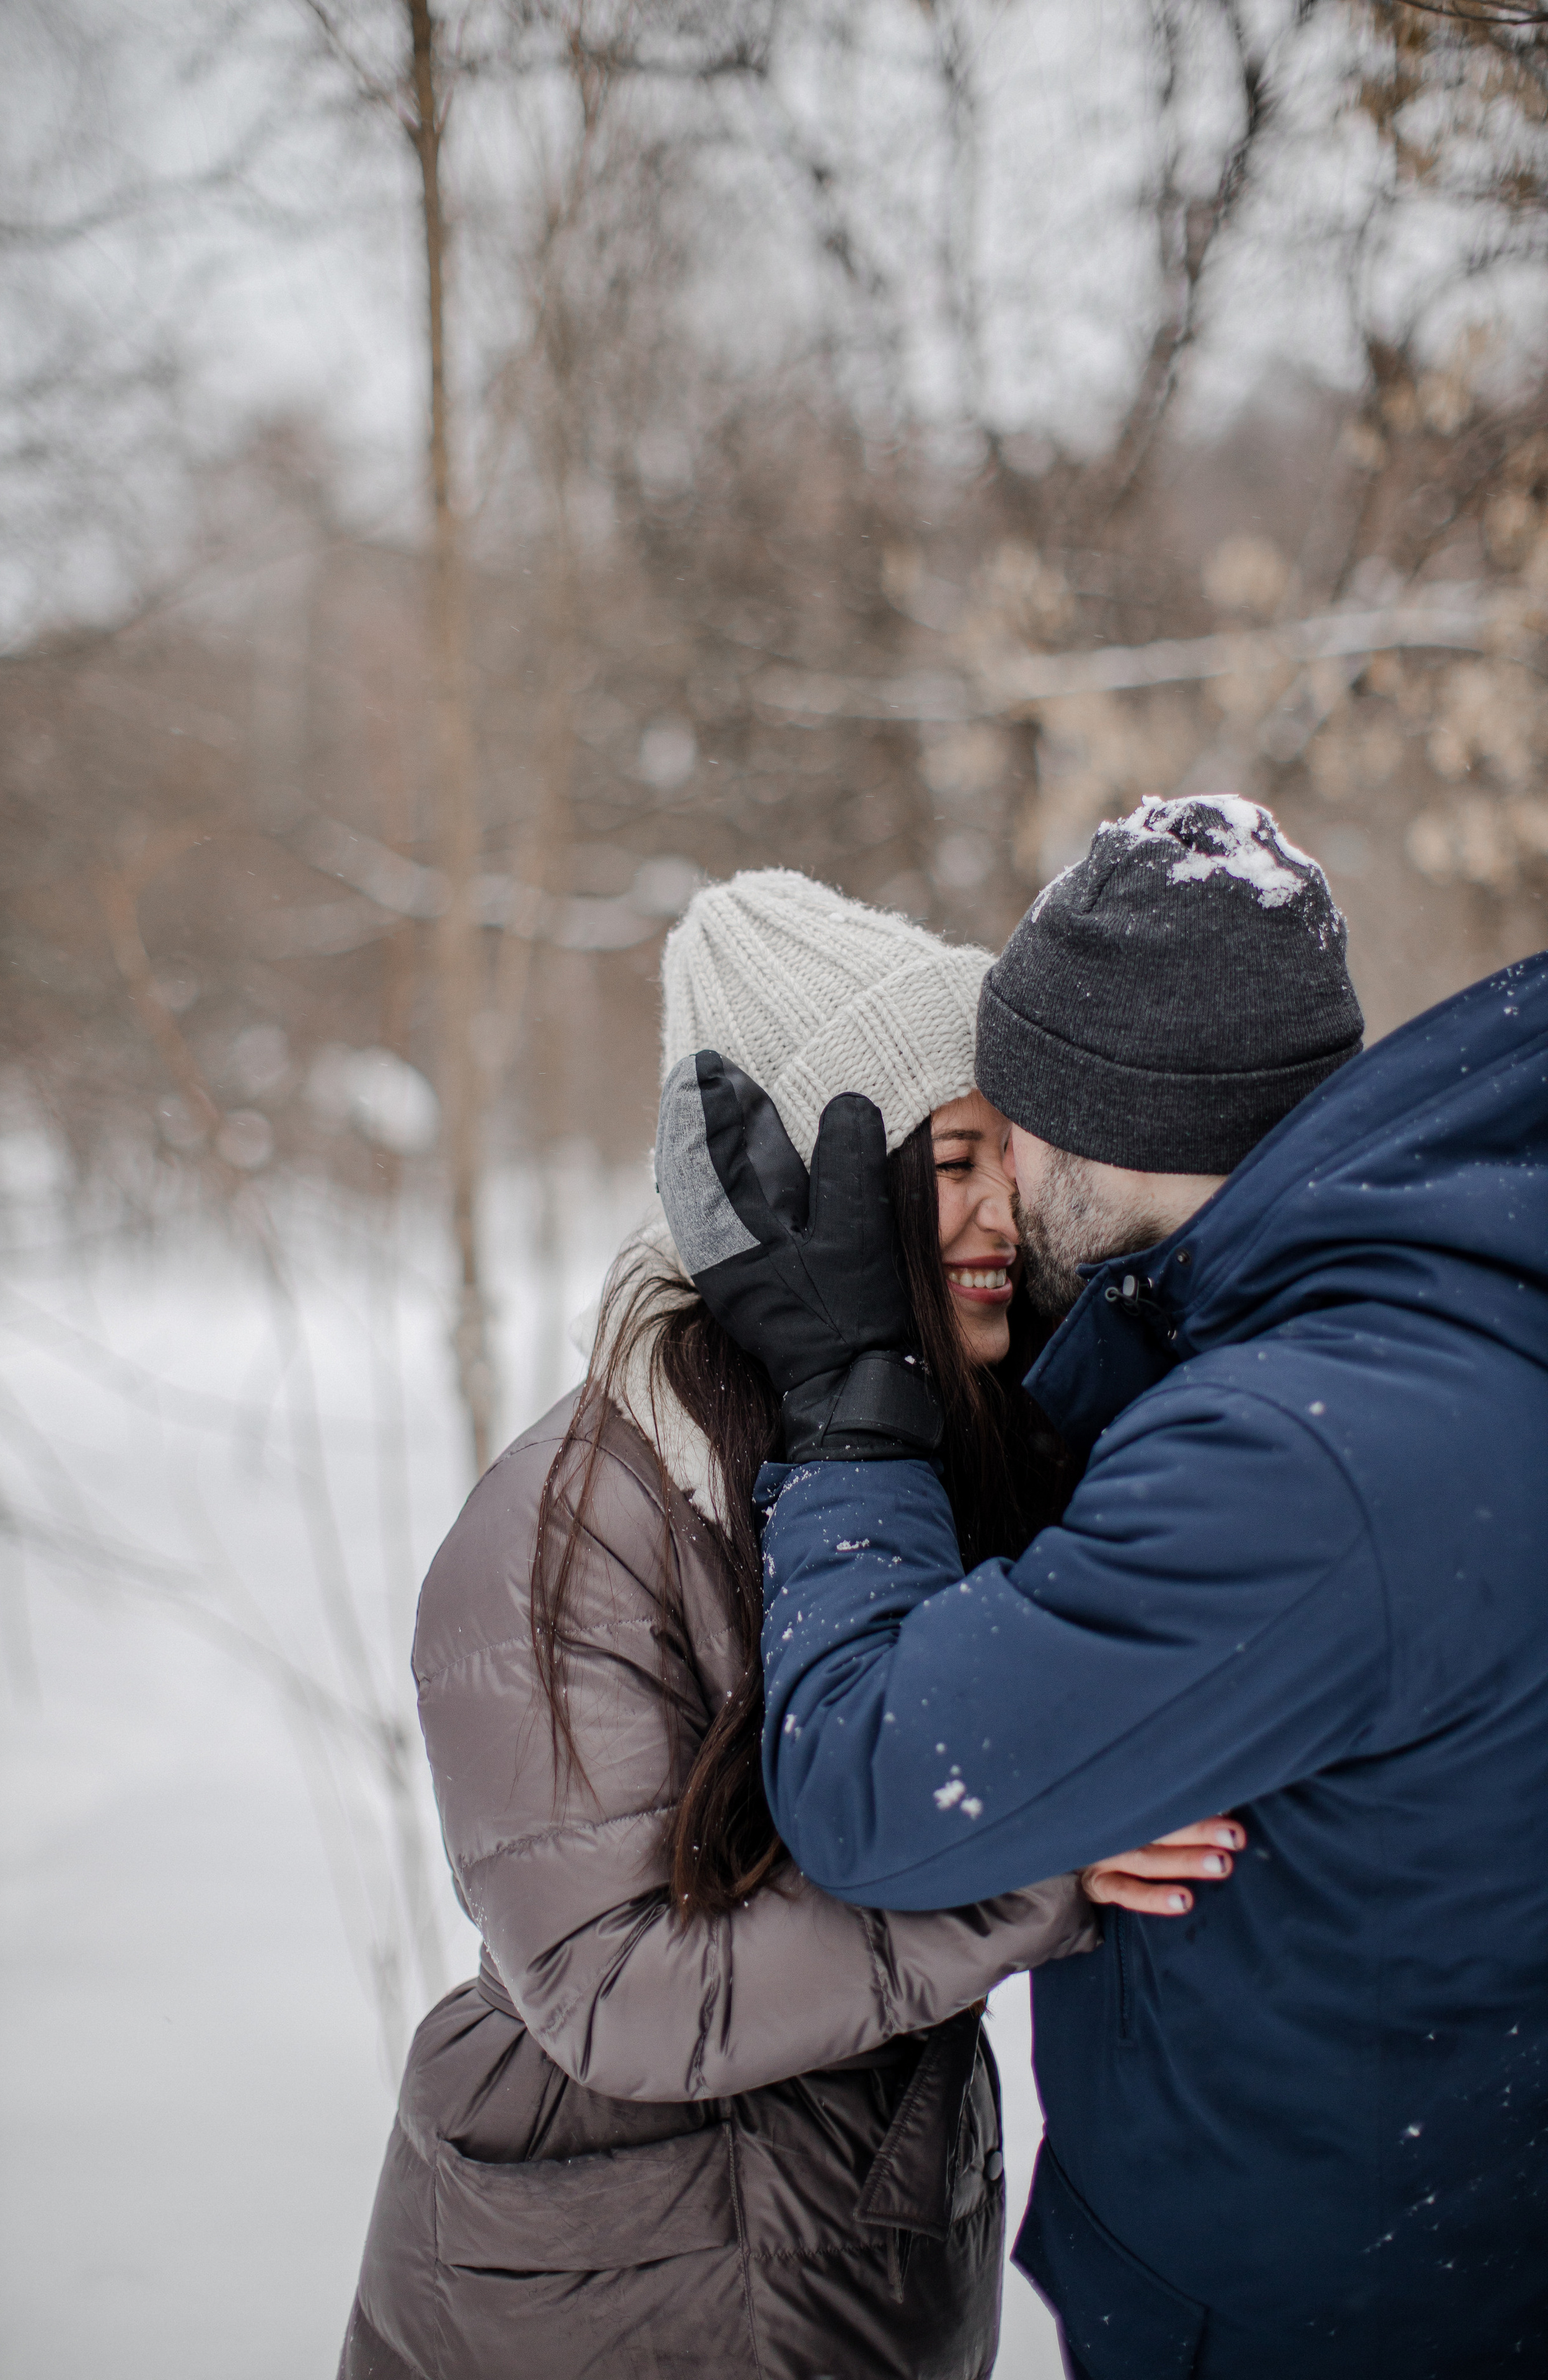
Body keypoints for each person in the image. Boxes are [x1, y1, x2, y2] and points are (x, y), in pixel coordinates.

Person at [655, 800, 1548, 2380]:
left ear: (1098, 1122)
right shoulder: (1416, 1307)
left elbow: (871, 1781)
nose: (997, 1188)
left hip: (1320, 2314)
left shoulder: (1292, 1458)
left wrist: (851, 1407)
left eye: (1006, 1130)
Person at [338, 870, 1241, 2380]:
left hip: (853, 2247)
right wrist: (1038, 1871)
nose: (1003, 1210)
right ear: (822, 1199)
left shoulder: (951, 1453)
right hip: (604, 2290)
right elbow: (614, 1994)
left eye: (1009, 1156)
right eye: (950, 1162)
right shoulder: (573, 1524)